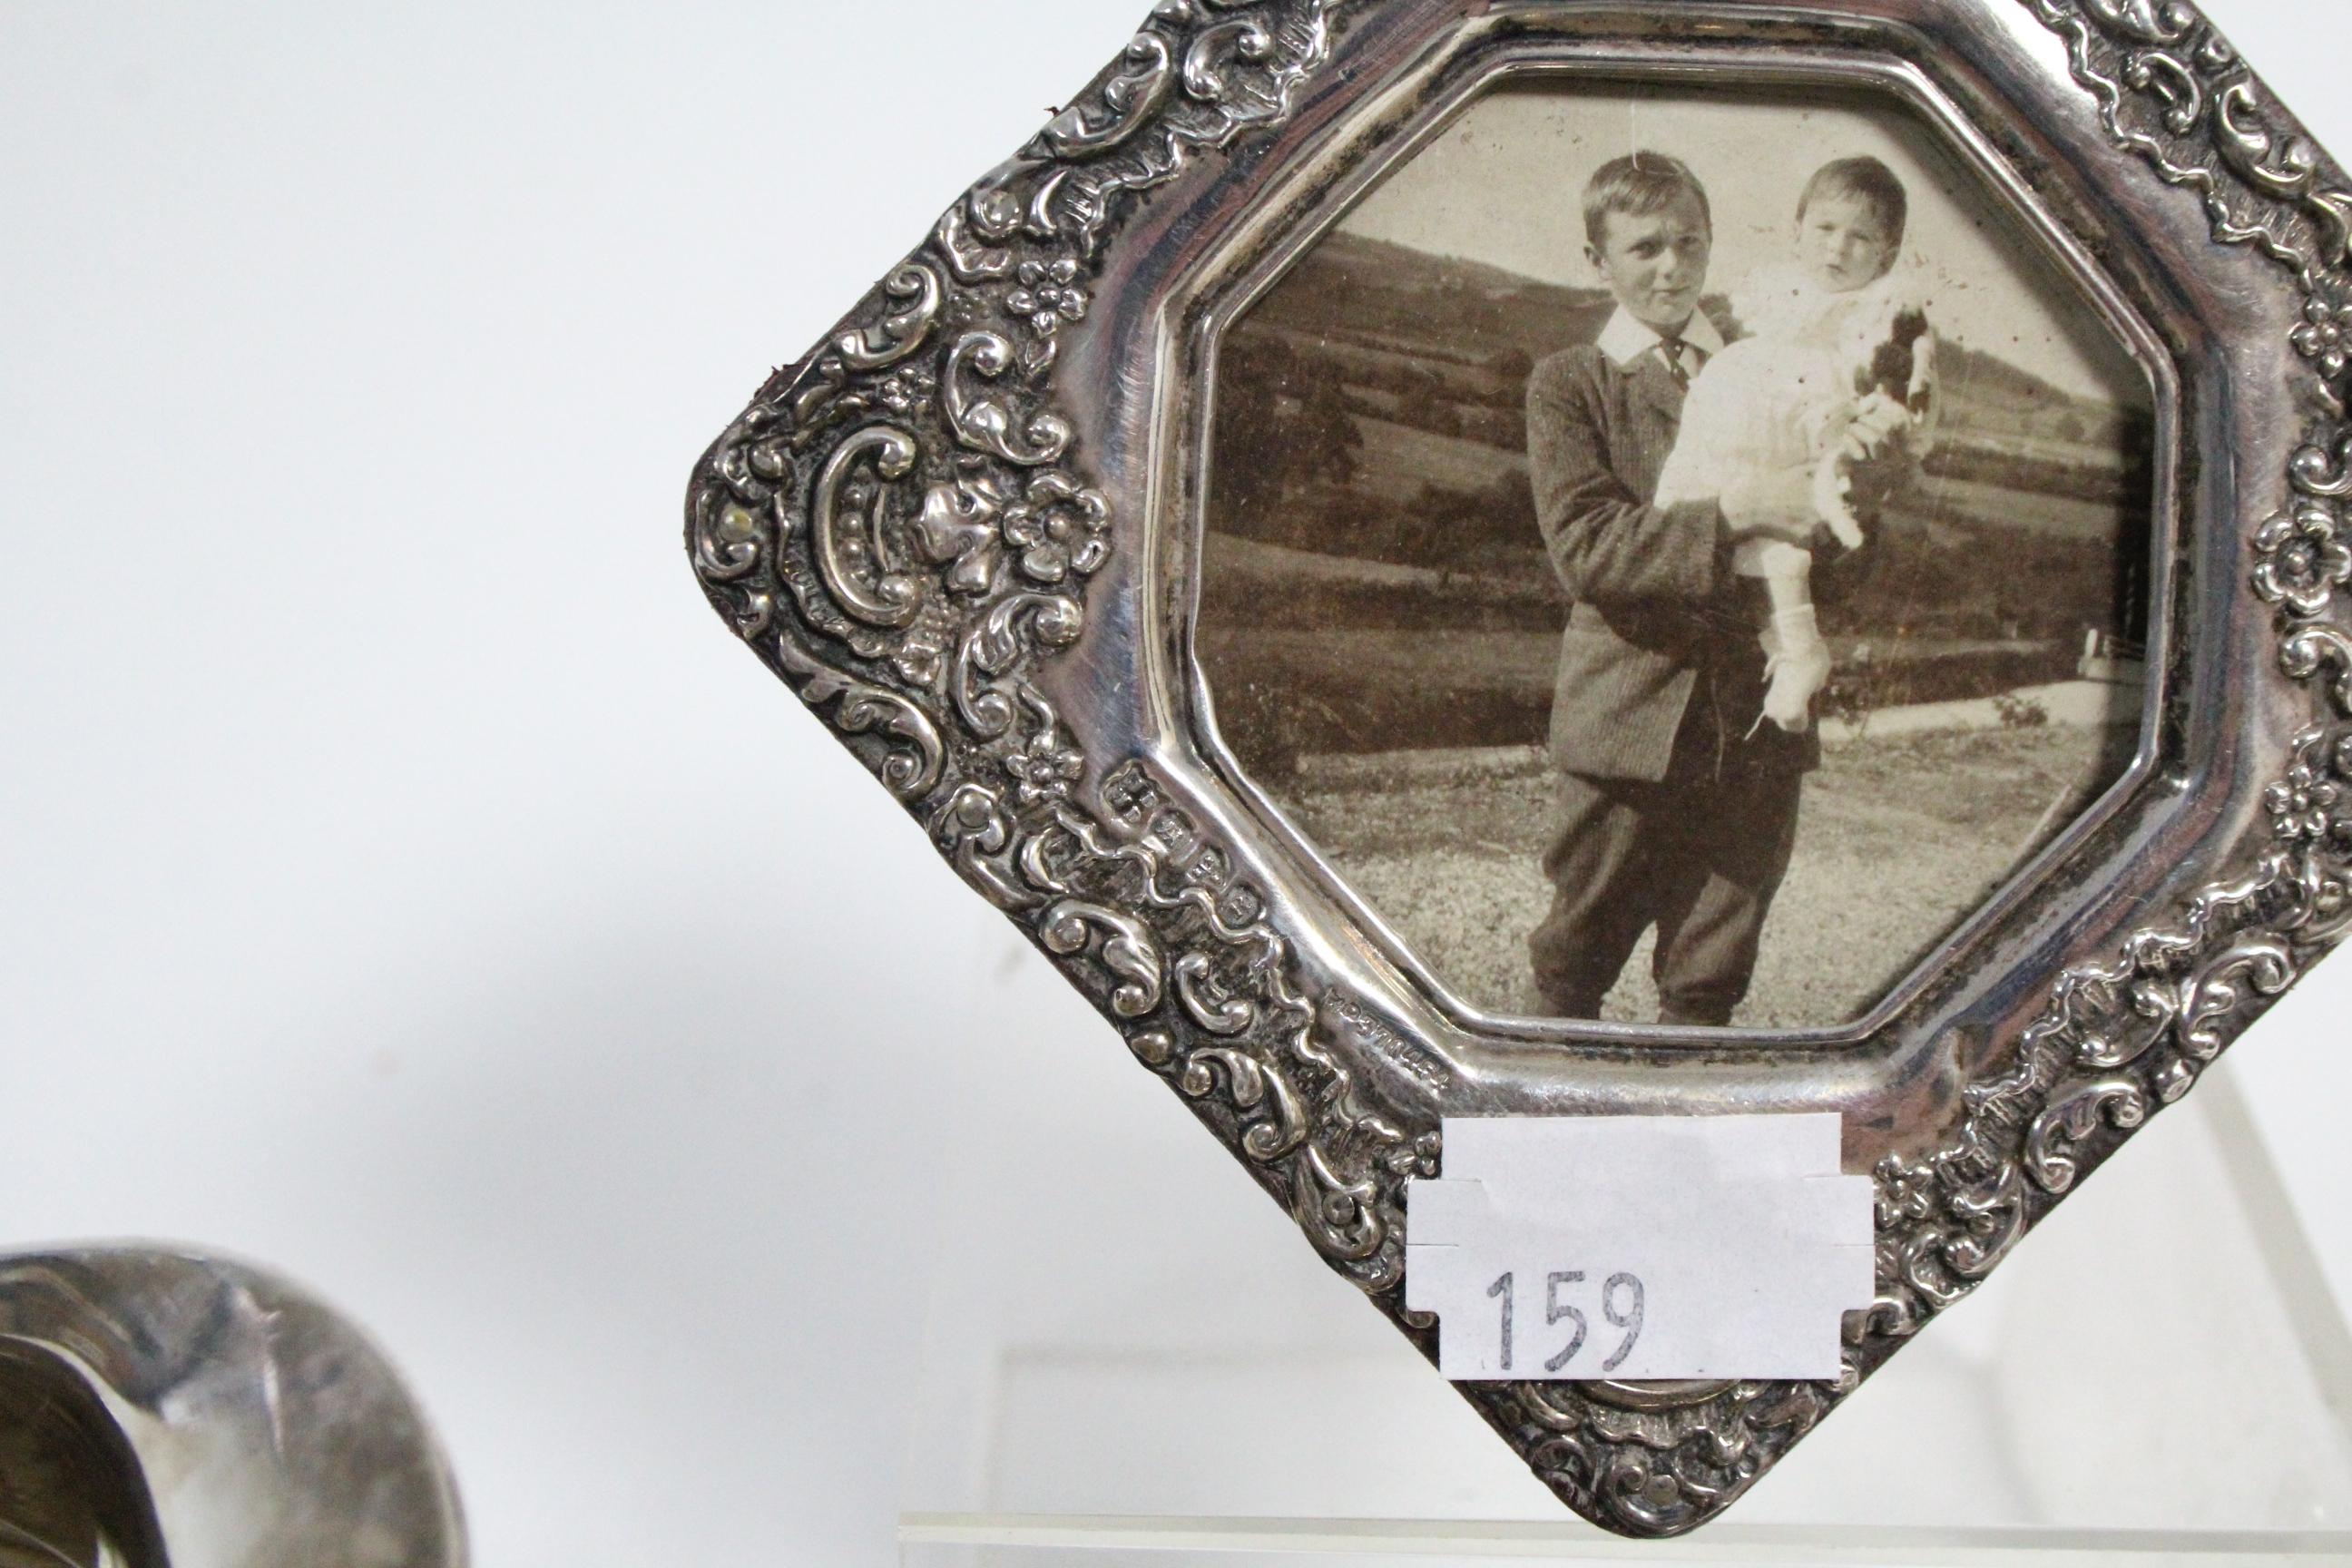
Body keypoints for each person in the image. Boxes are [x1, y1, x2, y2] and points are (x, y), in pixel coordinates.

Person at [1521, 152, 1900, 1026]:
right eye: (1645, 247)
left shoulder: (1779, 364)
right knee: (1573, 965)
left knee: (1708, 981)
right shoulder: (1575, 383)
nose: (1672, 267)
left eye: (1691, 243)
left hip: (1754, 729)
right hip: (1627, 720)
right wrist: (1734, 512)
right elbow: (1589, 547)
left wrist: (1853, 498)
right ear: (1598, 262)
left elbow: (1840, 548)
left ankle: (1678, 1147)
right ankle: (1536, 1134)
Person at [1654, 155, 1934, 731]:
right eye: (1825, 229)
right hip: (1754, 414)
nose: (1837, 249)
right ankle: (1792, 650)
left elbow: (1906, 390)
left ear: (1886, 255)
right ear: (1798, 230)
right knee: (1720, 512)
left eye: (1860, 239)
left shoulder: (1883, 316)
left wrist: (1878, 423)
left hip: (1819, 419)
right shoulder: (1774, 298)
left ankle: (1797, 652)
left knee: (1784, 535)